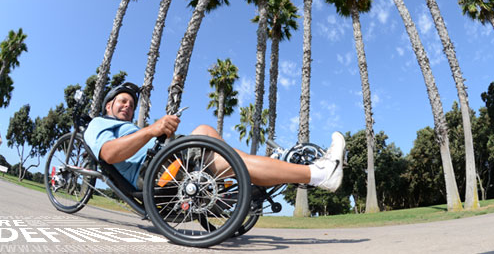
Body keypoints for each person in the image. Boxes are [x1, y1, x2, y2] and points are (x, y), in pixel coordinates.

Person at [84, 82, 345, 192]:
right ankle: (317, 173)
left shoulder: (130, 128)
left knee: (207, 132)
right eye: (122, 101)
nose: (128, 106)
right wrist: (152, 130)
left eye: (131, 103)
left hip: (166, 162)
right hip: (152, 174)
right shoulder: (99, 123)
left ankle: (258, 172)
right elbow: (108, 153)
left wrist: (162, 134)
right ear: (108, 106)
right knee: (234, 162)